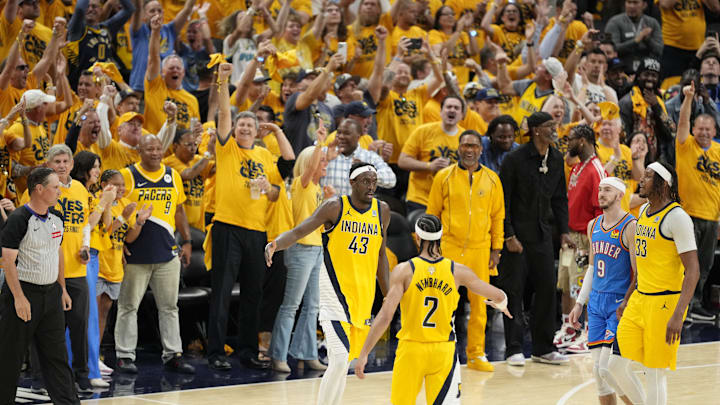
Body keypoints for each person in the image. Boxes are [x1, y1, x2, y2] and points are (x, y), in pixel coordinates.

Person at [265, 161, 391, 405]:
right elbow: (301, 230)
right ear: (352, 182)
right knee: (340, 356)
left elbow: (381, 255)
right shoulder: (335, 206)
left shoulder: (382, 210)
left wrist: (388, 295)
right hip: (333, 291)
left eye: (374, 182)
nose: (371, 186)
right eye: (366, 181)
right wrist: (276, 244)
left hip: (362, 294)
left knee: (342, 361)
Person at [354, 214, 512, 404]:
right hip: (442, 352)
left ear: (417, 237)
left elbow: (386, 316)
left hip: (411, 350)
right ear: (440, 238)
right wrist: (501, 304)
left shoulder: (404, 271)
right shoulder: (457, 271)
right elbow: (497, 295)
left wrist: (363, 354)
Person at [207, 63, 283, 371]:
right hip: (227, 226)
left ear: (257, 132)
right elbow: (224, 114)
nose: (245, 130)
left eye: (250, 127)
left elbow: (278, 194)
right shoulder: (227, 150)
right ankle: (215, 351)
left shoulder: (265, 156)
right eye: (241, 127)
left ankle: (248, 350)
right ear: (235, 130)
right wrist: (223, 81)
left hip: (257, 231)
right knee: (222, 293)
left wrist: (269, 188)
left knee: (253, 293)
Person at [611, 162, 700, 405]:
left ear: (663, 184)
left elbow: (693, 270)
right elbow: (642, 264)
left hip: (664, 303)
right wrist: (628, 297)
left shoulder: (678, 217)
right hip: (639, 299)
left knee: (654, 372)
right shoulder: (642, 213)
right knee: (614, 367)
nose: (641, 179)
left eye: (648, 176)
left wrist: (678, 315)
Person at [496, 111, 573, 366]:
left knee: (547, 290)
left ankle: (543, 347)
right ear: (536, 130)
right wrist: (508, 235)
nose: (555, 129)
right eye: (550, 126)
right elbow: (502, 200)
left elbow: (560, 199)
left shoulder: (556, 158)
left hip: (542, 236)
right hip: (516, 237)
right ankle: (514, 348)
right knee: (514, 292)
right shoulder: (514, 160)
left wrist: (564, 232)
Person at [114, 134, 194, 375]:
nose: (156, 152)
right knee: (128, 306)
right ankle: (124, 355)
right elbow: (116, 209)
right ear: (139, 150)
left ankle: (173, 354)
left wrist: (187, 240)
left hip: (167, 254)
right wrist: (120, 243)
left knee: (169, 307)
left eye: (159, 148)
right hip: (136, 253)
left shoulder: (173, 175)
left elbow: (179, 210)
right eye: (150, 148)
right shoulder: (128, 175)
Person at [426, 129, 505, 372]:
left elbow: (497, 217)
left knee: (480, 306)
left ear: (481, 149)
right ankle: (438, 351)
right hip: (448, 248)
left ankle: (476, 354)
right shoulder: (443, 177)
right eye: (465, 146)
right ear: (458, 149)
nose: (469, 150)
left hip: (480, 250)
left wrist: (497, 248)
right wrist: (430, 248)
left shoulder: (492, 179)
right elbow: (432, 214)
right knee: (442, 301)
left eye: (474, 146)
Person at [0, 167, 79, 404]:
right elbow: (8, 260)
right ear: (39, 189)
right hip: (23, 293)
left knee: (57, 358)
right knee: (9, 358)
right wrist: (19, 298)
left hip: (51, 295)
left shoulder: (58, 217)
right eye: (55, 187)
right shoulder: (18, 219)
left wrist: (62, 288)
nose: (60, 191)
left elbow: (58, 253)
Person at [569, 177, 639, 405]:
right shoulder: (593, 226)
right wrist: (580, 303)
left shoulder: (630, 226)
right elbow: (591, 268)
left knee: (608, 369)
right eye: (600, 189)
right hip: (596, 304)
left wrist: (627, 302)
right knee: (600, 376)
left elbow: (638, 274)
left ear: (620, 195)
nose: (601, 193)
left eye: (607, 190)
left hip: (618, 304)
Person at [269, 140, 332, 373]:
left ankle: (307, 354)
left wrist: (327, 200)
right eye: (321, 160)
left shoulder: (317, 189)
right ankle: (278, 355)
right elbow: (313, 163)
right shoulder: (301, 183)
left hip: (316, 250)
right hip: (300, 250)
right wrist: (321, 142)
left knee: (313, 306)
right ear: (310, 164)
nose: (325, 163)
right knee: (291, 305)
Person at [555, 124, 606, 353]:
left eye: (571, 139)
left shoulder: (596, 169)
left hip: (585, 239)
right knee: (566, 285)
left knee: (582, 287)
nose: (567, 143)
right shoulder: (577, 167)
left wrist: (593, 241)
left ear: (583, 141)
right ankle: (569, 328)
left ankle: (588, 333)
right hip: (570, 237)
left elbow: (601, 208)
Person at [675, 82, 720, 322]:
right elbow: (681, 123)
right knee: (685, 264)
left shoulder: (718, 151)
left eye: (707, 129)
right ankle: (681, 306)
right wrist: (689, 99)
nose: (703, 132)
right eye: (699, 128)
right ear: (694, 129)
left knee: (705, 264)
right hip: (688, 215)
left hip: (712, 218)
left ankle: (694, 305)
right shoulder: (685, 146)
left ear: (714, 132)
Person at [398, 95, 464, 214]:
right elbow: (402, 161)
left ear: (462, 115)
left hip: (450, 201)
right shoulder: (423, 131)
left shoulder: (465, 138)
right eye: (448, 107)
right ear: (441, 111)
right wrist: (429, 166)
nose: (452, 110)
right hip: (420, 199)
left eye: (456, 108)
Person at [603, 0, 662, 71]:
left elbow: (660, 50)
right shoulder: (614, 22)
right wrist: (636, 41)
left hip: (647, 70)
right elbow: (611, 50)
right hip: (621, 69)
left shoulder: (652, 23)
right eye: (629, 2)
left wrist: (648, 39)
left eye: (635, 2)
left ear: (644, 5)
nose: (631, 6)